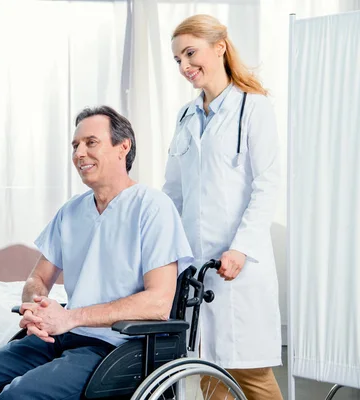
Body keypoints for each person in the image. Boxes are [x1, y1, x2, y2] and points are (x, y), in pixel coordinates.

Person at [0, 105, 193, 400]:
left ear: (123, 147)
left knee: (15, 397)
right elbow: (38, 279)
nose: (79, 153)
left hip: (116, 346)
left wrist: (72, 317)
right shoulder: (72, 212)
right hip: (61, 338)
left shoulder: (152, 207)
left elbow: (158, 303)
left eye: (90, 142)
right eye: (75, 146)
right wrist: (35, 308)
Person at [164, 14, 283, 400]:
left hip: (239, 267)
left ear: (219, 47)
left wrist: (241, 247)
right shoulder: (186, 116)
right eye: (178, 59)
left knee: (251, 375)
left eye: (190, 53)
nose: (184, 66)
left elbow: (267, 186)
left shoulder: (254, 107)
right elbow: (173, 193)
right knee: (211, 372)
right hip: (198, 268)